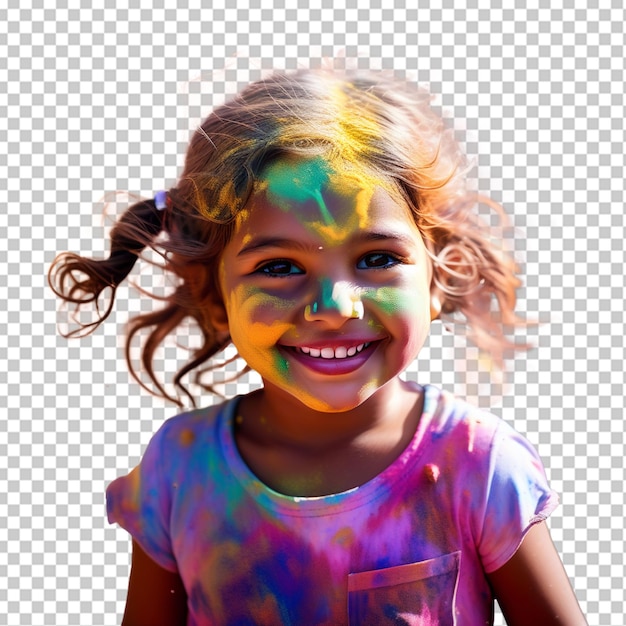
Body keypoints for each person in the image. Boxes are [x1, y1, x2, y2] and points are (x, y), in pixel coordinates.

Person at [49, 69, 587, 625]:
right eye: (279, 267)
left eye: (377, 258)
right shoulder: (182, 470)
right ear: (215, 296)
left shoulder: (474, 466)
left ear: (435, 278)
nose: (334, 306)